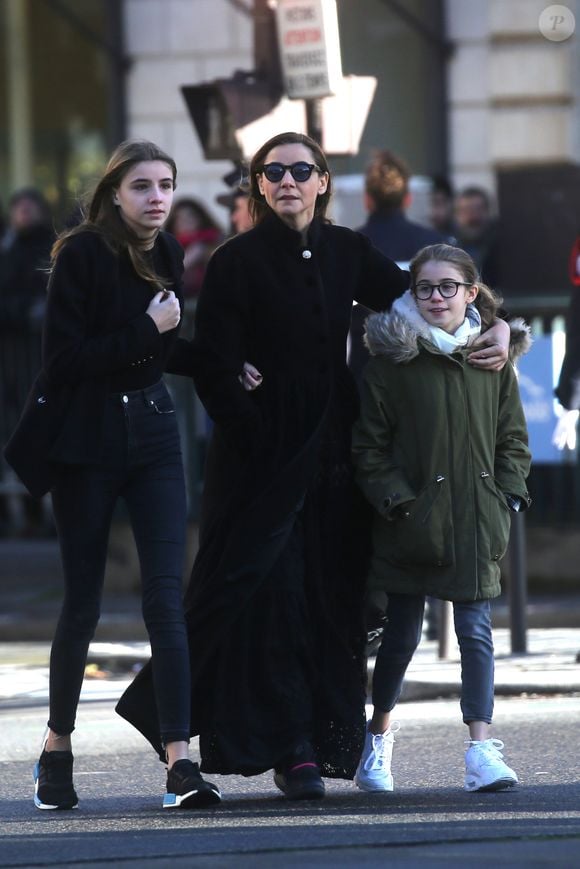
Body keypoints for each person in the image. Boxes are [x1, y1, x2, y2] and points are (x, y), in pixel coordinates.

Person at [116, 132, 513, 802]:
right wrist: (253, 429)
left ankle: (326, 738)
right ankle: (287, 747)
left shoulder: (347, 249)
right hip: (261, 451)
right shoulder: (235, 260)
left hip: (333, 442)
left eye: (301, 170)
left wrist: (499, 324)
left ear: (324, 181)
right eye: (273, 172)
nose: (287, 181)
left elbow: (424, 295)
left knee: (331, 591)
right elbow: (215, 363)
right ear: (259, 186)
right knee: (264, 591)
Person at [4, 140, 220, 811]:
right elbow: (65, 362)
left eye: (166, 185)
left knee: (166, 598)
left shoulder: (169, 253)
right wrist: (144, 326)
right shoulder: (81, 254)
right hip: (89, 440)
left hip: (154, 433)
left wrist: (221, 365)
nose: (157, 197)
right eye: (142, 186)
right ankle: (56, 745)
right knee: (84, 603)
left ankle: (181, 760)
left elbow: (160, 346)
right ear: (114, 194)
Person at [351, 243, 531, 795]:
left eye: (447, 287)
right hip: (411, 522)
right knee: (401, 636)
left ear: (471, 293)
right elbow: (370, 448)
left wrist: (508, 497)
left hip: (477, 518)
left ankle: (480, 749)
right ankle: (376, 740)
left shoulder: (491, 359)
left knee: (477, 632)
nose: (435, 298)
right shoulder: (391, 360)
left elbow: (513, 440)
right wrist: (400, 503)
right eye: (424, 288)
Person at [349, 150, 444, 385]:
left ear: (367, 199)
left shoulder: (347, 247)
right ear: (407, 198)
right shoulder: (437, 246)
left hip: (365, 374)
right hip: (427, 371)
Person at [0, 188, 54, 534]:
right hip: (11, 359)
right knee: (11, 426)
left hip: (45, 357)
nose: (24, 213)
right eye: (18, 206)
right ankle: (16, 510)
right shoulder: (7, 252)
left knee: (44, 424)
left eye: (29, 206)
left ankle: (48, 510)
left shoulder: (53, 249)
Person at [165, 197, 223, 303]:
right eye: (179, 219)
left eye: (190, 216)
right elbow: (163, 282)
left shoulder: (216, 243)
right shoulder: (165, 249)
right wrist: (187, 261)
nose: (186, 222)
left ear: (201, 219)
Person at [454, 186, 501, 286]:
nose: (474, 216)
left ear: (489, 212)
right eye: (466, 210)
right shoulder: (448, 250)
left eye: (479, 209)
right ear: (457, 215)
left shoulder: (504, 248)